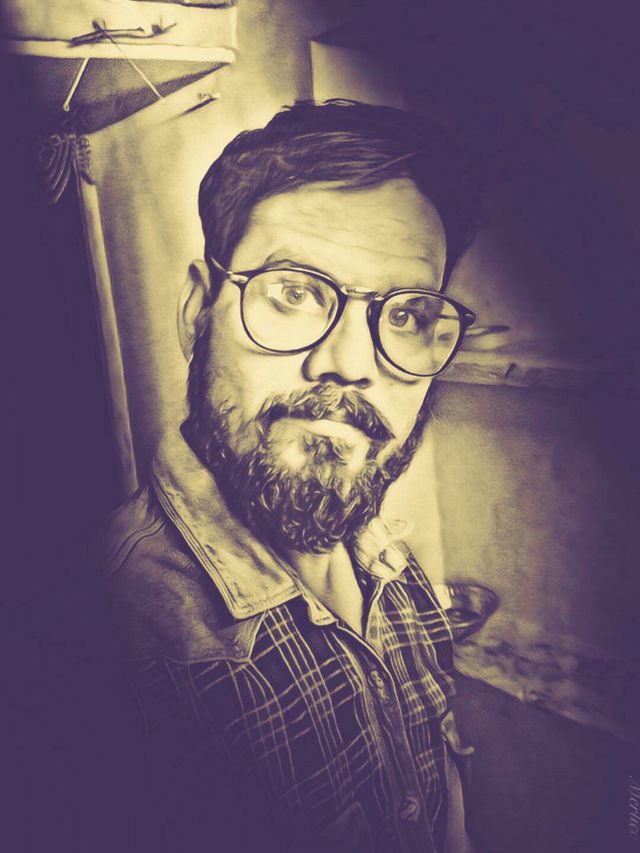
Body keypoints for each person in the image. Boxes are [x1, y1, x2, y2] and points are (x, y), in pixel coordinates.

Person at [103, 100, 479, 853]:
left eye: (406, 314)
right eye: (296, 292)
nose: (351, 363)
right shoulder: (100, 660)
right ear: (197, 311)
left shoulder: (395, 571)